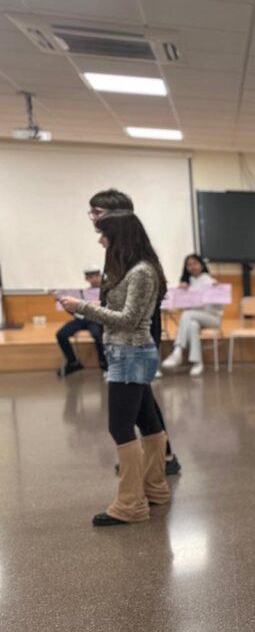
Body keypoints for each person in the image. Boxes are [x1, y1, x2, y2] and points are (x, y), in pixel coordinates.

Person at [58, 211, 171, 526]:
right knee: (148, 421)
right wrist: (96, 308)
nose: (100, 240)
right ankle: (155, 487)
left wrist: (83, 308)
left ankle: (131, 504)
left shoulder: (141, 271)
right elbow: (124, 312)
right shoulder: (134, 269)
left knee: (120, 427)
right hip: (128, 352)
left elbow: (129, 320)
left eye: (103, 233)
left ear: (119, 236)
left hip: (130, 353)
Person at [88, 188, 181, 476]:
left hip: (136, 337)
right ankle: (161, 460)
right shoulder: (115, 251)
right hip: (121, 336)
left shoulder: (138, 261)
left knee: (136, 401)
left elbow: (134, 314)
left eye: (97, 212)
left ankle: (160, 460)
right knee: (141, 401)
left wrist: (86, 309)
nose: (93, 219)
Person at [161, 254, 224, 376]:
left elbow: (219, 306)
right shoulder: (187, 284)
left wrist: (216, 291)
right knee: (192, 325)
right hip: (195, 318)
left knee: (187, 315)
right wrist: (180, 293)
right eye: (189, 265)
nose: (192, 267)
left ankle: (178, 350)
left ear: (201, 265)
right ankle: (197, 363)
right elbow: (181, 307)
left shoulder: (210, 281)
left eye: (195, 263)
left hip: (212, 318)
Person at [55, 265, 106, 376]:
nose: (93, 279)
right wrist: (66, 304)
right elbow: (75, 312)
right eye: (90, 277)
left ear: (100, 276)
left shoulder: (106, 290)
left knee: (97, 334)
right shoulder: (82, 292)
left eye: (95, 276)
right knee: (61, 334)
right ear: (86, 279)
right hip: (81, 319)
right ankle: (73, 362)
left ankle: (104, 365)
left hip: (96, 319)